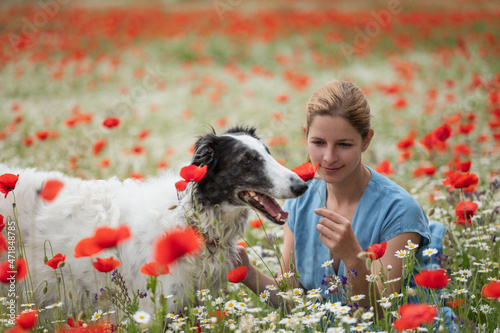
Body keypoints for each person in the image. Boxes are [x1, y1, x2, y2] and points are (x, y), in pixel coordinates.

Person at [237, 79, 433, 316]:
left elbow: (382, 317)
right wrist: (247, 272)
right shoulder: (301, 198)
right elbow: (292, 299)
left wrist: (353, 258)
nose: (329, 157)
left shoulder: (399, 212)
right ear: (306, 135)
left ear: (366, 140)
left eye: (344, 144)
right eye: (318, 142)